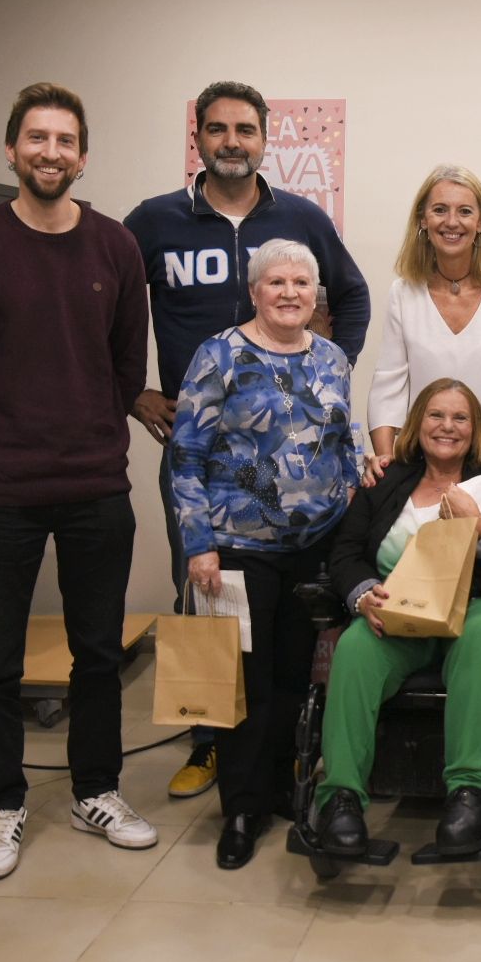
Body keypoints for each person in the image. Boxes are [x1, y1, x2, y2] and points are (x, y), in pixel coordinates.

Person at [0, 82, 156, 881]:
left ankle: (97, 789)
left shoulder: (115, 247)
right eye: (36, 138)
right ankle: (3, 806)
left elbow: (128, 365)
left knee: (97, 654)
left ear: (82, 156)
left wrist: (96, 431)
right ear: (12, 149)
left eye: (65, 140)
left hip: (94, 484)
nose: (50, 152)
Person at [124, 80, 369, 804]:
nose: (234, 141)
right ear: (198, 136)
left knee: (291, 631)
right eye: (220, 129)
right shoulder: (156, 221)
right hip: (209, 464)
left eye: (247, 130)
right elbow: (99, 303)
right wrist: (129, 389)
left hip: (297, 490)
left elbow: (349, 295)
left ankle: (288, 750)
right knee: (207, 607)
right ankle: (212, 747)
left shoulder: (300, 217)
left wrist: (328, 369)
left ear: (266, 140)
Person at [170, 239, 358, 869]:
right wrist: (198, 544)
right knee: (244, 682)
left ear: (314, 294)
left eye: (301, 284)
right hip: (238, 549)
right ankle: (243, 809)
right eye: (275, 283)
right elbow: (186, 456)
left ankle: (285, 789)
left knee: (295, 674)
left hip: (316, 545)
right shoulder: (219, 356)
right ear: (254, 292)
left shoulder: (332, 358)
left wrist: (357, 493)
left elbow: (342, 442)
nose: (289, 293)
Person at [312, 380, 481, 856]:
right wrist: (362, 594)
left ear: (475, 427)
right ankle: (340, 796)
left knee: (480, 639)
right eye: (435, 416)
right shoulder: (386, 480)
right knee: (357, 647)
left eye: (459, 418)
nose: (447, 427)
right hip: (400, 612)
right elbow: (345, 553)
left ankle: (472, 792)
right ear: (417, 424)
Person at [365, 164, 481, 485]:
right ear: (423, 219)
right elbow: (388, 384)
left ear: (480, 221)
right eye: (440, 210)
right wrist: (385, 460)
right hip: (423, 469)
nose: (452, 222)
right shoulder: (403, 293)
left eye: (465, 211)